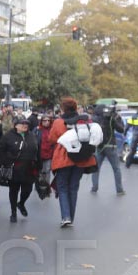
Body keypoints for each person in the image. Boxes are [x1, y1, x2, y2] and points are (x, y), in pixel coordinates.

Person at [48, 97, 100, 227]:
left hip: (63, 158)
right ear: (76, 108)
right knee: (73, 187)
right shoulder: (84, 121)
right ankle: (71, 217)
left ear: (63, 108)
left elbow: (52, 139)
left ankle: (66, 217)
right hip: (81, 158)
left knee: (63, 187)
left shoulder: (59, 122)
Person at [0, 116, 40, 223]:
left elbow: (38, 151)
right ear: (16, 125)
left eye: (26, 123)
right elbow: (0, 150)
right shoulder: (8, 136)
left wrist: (39, 165)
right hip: (15, 168)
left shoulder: (32, 135)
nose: (25, 125)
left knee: (27, 190)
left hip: (30, 168)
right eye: (22, 123)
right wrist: (6, 161)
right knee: (14, 191)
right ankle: (13, 212)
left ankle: (21, 203)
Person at [91, 103, 127, 193]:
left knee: (96, 168)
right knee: (116, 169)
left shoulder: (95, 119)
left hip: (99, 146)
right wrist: (115, 119)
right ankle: (120, 190)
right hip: (110, 146)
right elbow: (121, 129)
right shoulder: (112, 117)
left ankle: (94, 188)